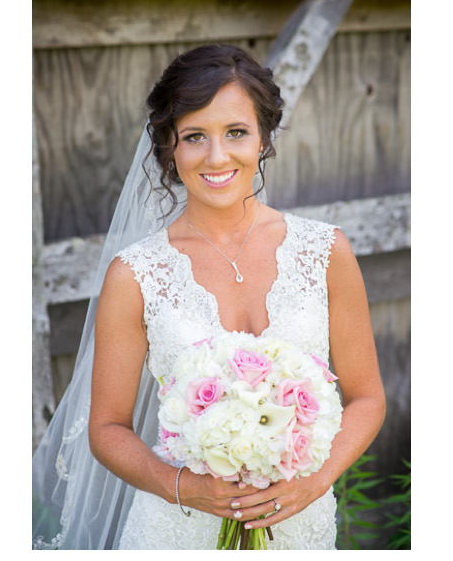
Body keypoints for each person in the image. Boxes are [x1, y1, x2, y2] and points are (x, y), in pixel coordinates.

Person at [32, 44, 386, 549]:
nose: (217, 157)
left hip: (299, 524)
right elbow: (107, 428)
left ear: (263, 137)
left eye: (236, 132)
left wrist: (313, 481)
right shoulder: (135, 275)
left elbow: (368, 398)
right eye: (195, 137)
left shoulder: (327, 251)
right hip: (176, 529)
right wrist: (187, 488)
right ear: (169, 149)